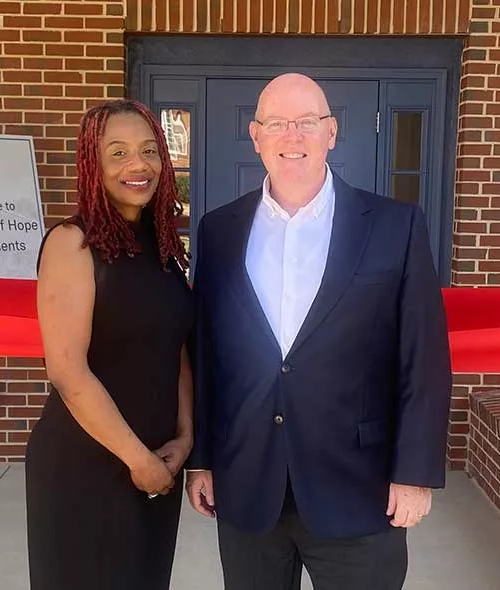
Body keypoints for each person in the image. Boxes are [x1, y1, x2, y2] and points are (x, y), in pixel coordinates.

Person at [186, 73, 453, 589]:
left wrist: (416, 472)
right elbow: (207, 354)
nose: (293, 137)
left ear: (331, 132)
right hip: (248, 489)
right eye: (278, 124)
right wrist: (202, 461)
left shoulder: (396, 225)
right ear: (255, 135)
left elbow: (423, 359)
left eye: (307, 123)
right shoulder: (218, 231)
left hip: (359, 490)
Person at [25, 98, 194, 590]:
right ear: (92, 165)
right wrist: (138, 460)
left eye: (148, 150)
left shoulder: (163, 250)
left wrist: (184, 438)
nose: (137, 165)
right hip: (88, 466)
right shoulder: (72, 244)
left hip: (158, 467)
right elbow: (67, 371)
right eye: (117, 153)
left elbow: (178, 353)